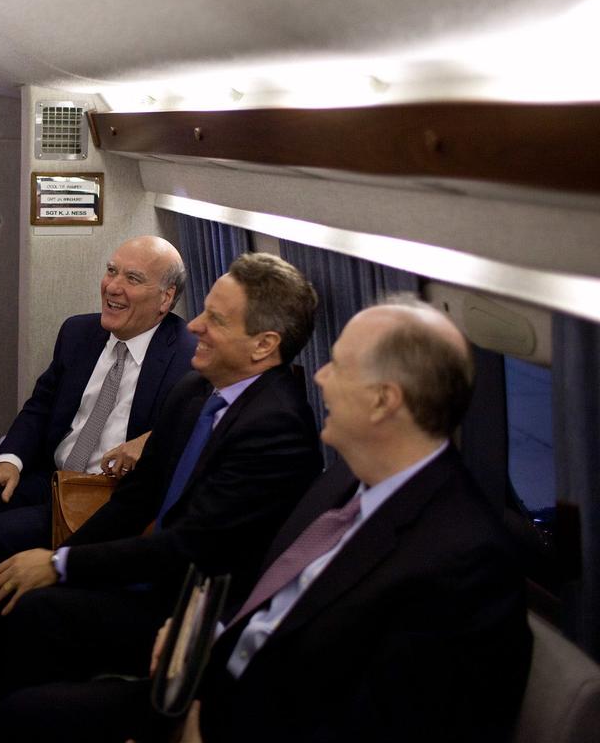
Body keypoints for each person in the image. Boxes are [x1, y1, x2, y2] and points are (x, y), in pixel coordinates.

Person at [0, 252, 323, 700]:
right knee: (22, 585)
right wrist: (59, 558)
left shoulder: (276, 427)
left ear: (263, 345)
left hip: (191, 607)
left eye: (215, 320)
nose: (194, 325)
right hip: (156, 569)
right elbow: (135, 500)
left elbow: (190, 547)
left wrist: (60, 566)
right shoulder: (196, 389)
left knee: (36, 611)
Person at [192, 297, 532, 742]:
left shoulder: (464, 563)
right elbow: (274, 603)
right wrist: (199, 644)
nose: (319, 376)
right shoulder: (345, 479)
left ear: (382, 401)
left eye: (337, 365)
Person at [0, 236, 197, 618]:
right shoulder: (78, 333)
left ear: (165, 298)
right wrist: (8, 462)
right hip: (54, 476)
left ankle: (0, 649)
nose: (112, 287)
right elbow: (39, 407)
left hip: (109, 494)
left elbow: (198, 422)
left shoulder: (187, 355)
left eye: (132, 278)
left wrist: (152, 439)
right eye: (111, 271)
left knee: (3, 534)